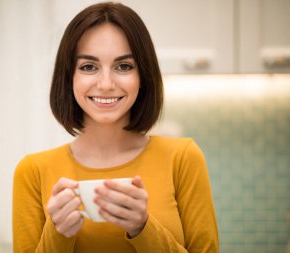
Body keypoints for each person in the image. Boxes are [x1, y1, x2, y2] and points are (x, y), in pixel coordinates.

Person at [12, 2, 218, 253]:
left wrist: (143, 228)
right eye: (89, 67)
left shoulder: (183, 158)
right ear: (69, 78)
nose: (106, 84)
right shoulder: (33, 172)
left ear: (143, 76)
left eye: (124, 66)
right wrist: (57, 234)